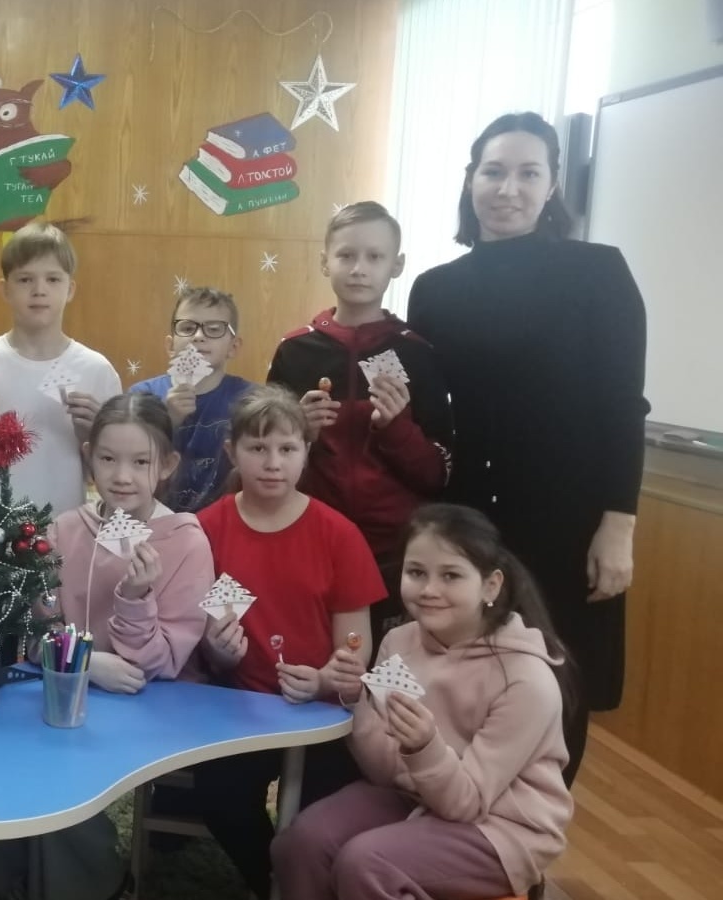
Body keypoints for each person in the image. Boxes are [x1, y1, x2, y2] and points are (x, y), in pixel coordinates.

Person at [406, 111, 649, 784]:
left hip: (567, 521)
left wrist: (619, 524)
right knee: (460, 674)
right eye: (493, 171)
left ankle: (531, 838)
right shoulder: (435, 288)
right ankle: (457, 822)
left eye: (527, 173)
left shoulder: (599, 273)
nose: (507, 188)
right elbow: (429, 416)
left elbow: (623, 405)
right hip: (467, 522)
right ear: (471, 180)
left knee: (559, 681)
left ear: (551, 186)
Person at [271, 503, 573, 900]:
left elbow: (464, 804)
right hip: (416, 796)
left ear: (491, 586)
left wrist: (423, 746)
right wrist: (356, 700)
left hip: (501, 829)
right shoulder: (398, 643)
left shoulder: (526, 680)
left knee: (366, 863)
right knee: (302, 843)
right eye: (416, 573)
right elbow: (384, 773)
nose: (429, 590)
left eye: (451, 575)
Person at [162, 386, 383, 899]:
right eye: (258, 448)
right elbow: (198, 636)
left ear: (306, 451)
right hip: (239, 704)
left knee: (319, 818)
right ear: (232, 451)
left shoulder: (338, 534)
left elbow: (355, 642)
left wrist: (328, 676)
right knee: (220, 798)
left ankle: (302, 876)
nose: (273, 463)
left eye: (287, 449)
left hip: (322, 712)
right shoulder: (205, 529)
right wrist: (218, 653)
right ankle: (277, 883)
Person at [268, 201, 452, 640]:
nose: (358, 269)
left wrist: (396, 428)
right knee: (314, 659)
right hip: (311, 538)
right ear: (324, 262)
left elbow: (438, 475)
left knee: (389, 667)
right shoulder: (295, 351)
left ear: (396, 265)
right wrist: (300, 434)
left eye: (374, 256)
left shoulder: (417, 354)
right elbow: (264, 459)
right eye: (346, 255)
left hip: (396, 550)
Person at [0, 221, 121, 515]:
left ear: (70, 289)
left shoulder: (97, 371)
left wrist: (90, 435)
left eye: (53, 279)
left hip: (62, 534)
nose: (39, 290)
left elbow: (113, 476)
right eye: (25, 279)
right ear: (5, 289)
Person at [44, 392, 214, 690]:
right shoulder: (63, 530)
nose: (122, 476)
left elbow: (163, 663)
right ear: (89, 456)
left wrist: (135, 598)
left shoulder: (187, 544)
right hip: (70, 696)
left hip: (157, 704)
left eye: (141, 462)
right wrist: (81, 661)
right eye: (108, 459)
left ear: (167, 465)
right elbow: (38, 636)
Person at [129, 284, 251, 512]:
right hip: (153, 521)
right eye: (187, 328)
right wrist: (167, 421)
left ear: (233, 347)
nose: (198, 336)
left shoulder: (252, 401)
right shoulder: (141, 396)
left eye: (213, 329)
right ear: (170, 345)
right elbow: (126, 462)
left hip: (223, 523)